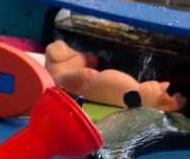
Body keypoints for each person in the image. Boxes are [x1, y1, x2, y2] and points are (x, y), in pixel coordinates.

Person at [44, 40, 187, 112]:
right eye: (78, 53)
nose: (85, 56)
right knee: (127, 88)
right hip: (95, 86)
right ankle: (156, 97)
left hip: (95, 89)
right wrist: (86, 72)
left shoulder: (56, 75)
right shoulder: (59, 75)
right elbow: (82, 76)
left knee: (128, 91)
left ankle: (158, 98)